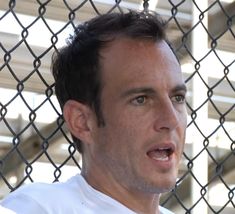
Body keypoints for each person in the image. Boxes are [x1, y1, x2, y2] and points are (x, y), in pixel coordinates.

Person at [1, 11, 187, 214]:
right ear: (82, 122)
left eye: (177, 98)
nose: (171, 119)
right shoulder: (40, 207)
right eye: (140, 100)